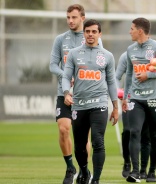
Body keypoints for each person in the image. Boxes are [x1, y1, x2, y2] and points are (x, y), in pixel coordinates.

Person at [62, 19, 118, 184]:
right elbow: (66, 77)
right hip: (79, 105)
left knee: (98, 141)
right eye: (88, 31)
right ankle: (84, 171)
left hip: (99, 104)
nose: (91, 34)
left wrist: (115, 106)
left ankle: (96, 180)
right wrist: (66, 93)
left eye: (94, 32)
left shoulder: (107, 56)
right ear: (84, 33)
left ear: (100, 34)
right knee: (80, 145)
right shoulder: (73, 53)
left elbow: (112, 82)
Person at [122, 17, 156, 183]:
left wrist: (149, 74)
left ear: (140, 31)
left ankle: (151, 172)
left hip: (154, 99)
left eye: (131, 29)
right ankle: (135, 172)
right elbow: (129, 75)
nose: (129, 31)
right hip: (136, 99)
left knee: (154, 136)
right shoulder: (130, 50)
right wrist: (125, 97)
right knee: (134, 131)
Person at [49, 4, 94, 184]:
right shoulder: (61, 40)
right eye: (68, 17)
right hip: (64, 93)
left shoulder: (91, 37)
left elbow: (99, 63)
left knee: (84, 136)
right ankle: (70, 167)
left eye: (74, 17)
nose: (70, 21)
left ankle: (84, 171)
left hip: (85, 94)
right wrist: (65, 75)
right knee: (63, 129)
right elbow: (53, 65)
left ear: (82, 18)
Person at [116, 52, 156, 180]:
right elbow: (117, 77)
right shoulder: (126, 55)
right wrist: (118, 92)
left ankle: (143, 170)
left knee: (146, 135)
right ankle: (127, 162)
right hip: (132, 99)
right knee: (129, 131)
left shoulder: (155, 54)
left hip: (151, 99)